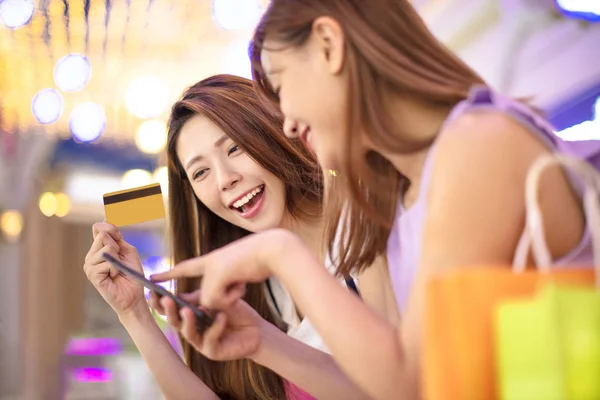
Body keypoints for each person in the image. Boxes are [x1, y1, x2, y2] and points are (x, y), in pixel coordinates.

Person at [151, 2, 600, 400]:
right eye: (201, 172)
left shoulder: (479, 143)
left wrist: (280, 253)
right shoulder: (396, 195)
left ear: (329, 44)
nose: (286, 124)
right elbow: (385, 390)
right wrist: (265, 342)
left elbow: (417, 384)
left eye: (283, 87)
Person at [84, 74, 390, 400]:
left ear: (271, 131)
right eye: (201, 172)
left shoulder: (366, 225)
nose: (225, 180)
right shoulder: (252, 286)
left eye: (234, 148)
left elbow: (397, 388)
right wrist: (133, 313)